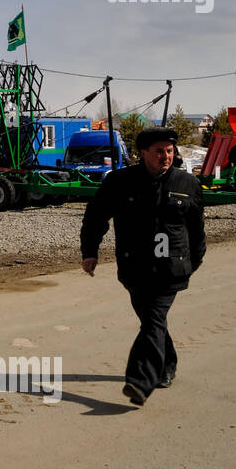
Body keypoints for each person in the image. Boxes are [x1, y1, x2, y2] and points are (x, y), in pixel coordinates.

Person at [80, 127, 206, 406]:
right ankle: (167, 364)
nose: (166, 156)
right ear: (143, 154)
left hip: (171, 268)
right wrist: (90, 251)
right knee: (153, 321)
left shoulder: (187, 184)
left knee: (152, 320)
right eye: (159, 151)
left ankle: (140, 381)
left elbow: (196, 227)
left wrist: (195, 260)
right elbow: (96, 216)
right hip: (134, 267)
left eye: (170, 151)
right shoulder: (120, 181)